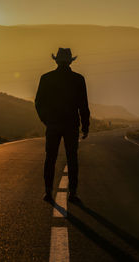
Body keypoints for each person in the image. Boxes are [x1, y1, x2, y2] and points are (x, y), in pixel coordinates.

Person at [35, 48, 90, 203]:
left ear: (57, 61)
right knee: (72, 158)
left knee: (50, 158)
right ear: (70, 61)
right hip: (71, 125)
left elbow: (39, 102)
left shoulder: (46, 78)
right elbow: (83, 105)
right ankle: (72, 193)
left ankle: (48, 192)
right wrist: (85, 126)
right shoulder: (78, 79)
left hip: (53, 124)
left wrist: (46, 120)